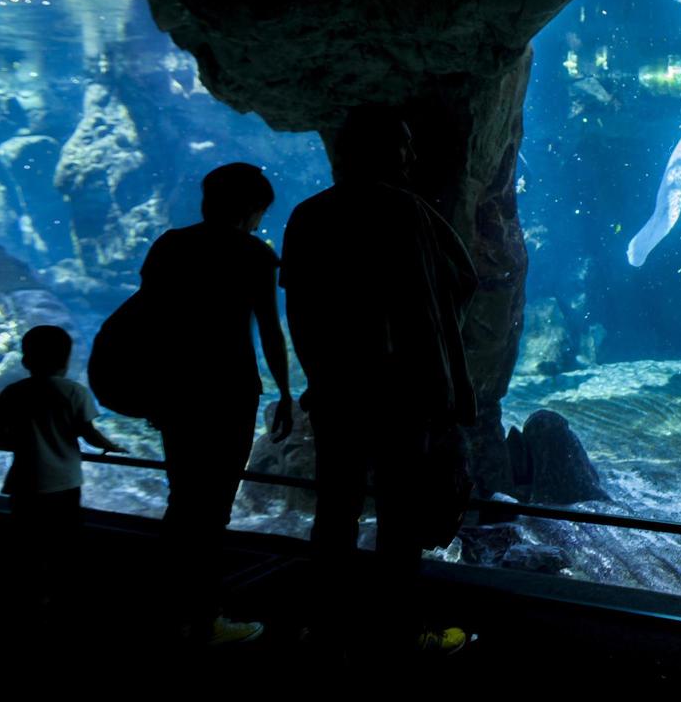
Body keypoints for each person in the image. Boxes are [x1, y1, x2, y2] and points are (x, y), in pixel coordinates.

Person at [280, 105, 479, 659]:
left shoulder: (307, 215)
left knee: (334, 513)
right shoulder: (406, 212)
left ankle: (324, 626)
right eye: (403, 144)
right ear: (381, 151)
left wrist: (322, 373)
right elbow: (455, 285)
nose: (413, 155)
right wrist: (446, 390)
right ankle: (399, 630)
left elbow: (299, 308)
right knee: (400, 517)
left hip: (337, 392)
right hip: (402, 396)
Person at [141, 162, 293, 646]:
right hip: (228, 392)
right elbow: (270, 330)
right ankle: (205, 619)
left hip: (178, 388)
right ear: (251, 210)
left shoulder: (169, 247)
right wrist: (286, 393)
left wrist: (152, 386)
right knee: (214, 509)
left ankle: (168, 612)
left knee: (183, 500)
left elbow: (150, 321)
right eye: (259, 214)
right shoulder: (253, 254)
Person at [0, 324, 124, 608]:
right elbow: (88, 432)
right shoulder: (74, 392)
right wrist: (111, 446)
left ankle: (30, 594)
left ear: (26, 360)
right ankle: (62, 595)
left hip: (25, 481)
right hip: (64, 482)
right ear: (66, 361)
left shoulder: (13, 392)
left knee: (26, 540)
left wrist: (15, 440)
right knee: (64, 540)